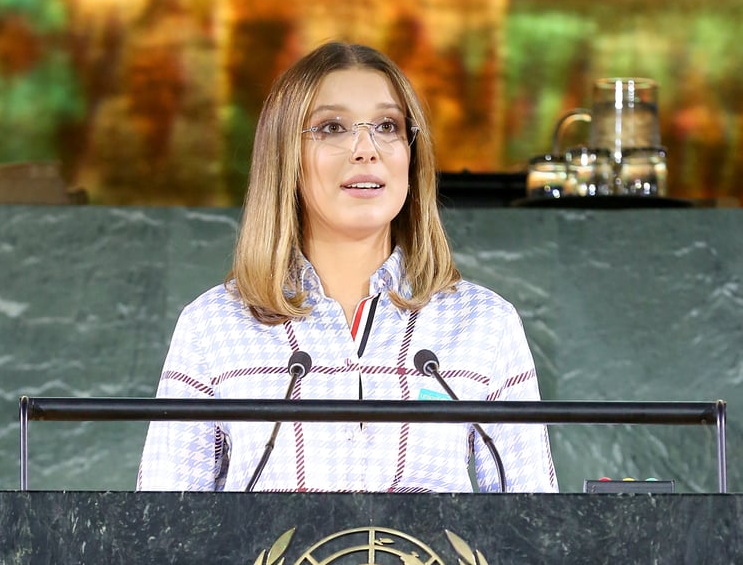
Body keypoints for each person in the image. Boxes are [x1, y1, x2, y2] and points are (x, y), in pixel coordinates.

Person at [137, 41, 557, 493]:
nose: (365, 149)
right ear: (284, 157)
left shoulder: (485, 324)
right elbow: (163, 538)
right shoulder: (212, 326)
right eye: (332, 127)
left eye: (387, 126)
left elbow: (532, 536)